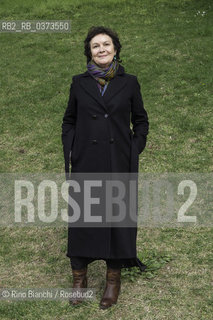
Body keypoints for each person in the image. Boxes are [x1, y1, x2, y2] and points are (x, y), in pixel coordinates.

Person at [61, 26, 149, 309]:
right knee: (83, 217)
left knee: (116, 219)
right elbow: (69, 120)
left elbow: (141, 121)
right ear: (89, 52)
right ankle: (79, 278)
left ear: (115, 49)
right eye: (95, 46)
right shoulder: (79, 83)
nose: (101, 49)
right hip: (87, 161)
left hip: (118, 162)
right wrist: (73, 149)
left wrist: (132, 150)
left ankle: (113, 280)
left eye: (106, 44)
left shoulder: (130, 82)